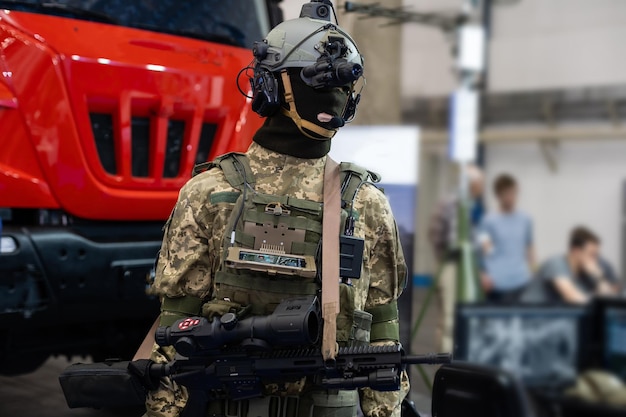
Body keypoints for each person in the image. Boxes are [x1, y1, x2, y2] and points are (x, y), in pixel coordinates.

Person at [144, 4, 409, 417]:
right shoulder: (213, 192)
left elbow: (381, 336)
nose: (333, 96)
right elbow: (177, 332)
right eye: (315, 80)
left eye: (341, 84)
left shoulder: (211, 191)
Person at [428, 164, 484, 353]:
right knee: (449, 319)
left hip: (467, 267)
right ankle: (446, 365)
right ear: (471, 183)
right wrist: (445, 261)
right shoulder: (450, 203)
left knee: (465, 317)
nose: (481, 187)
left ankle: (461, 361)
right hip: (451, 266)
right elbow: (435, 234)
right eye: (479, 183)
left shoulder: (471, 206)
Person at [478, 174, 534, 303]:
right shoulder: (487, 222)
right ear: (498, 196)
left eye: (514, 193)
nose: (511, 197)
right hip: (497, 282)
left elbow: (530, 247)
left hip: (521, 281)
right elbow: (484, 252)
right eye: (507, 194)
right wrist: (483, 275)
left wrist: (533, 272)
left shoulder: (526, 220)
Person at [536, 226, 620, 303]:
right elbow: (573, 298)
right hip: (534, 316)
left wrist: (599, 278)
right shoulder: (556, 263)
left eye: (597, 255)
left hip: (561, 318)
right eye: (592, 255)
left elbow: (608, 301)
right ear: (576, 251)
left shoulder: (585, 274)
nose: (596, 260)